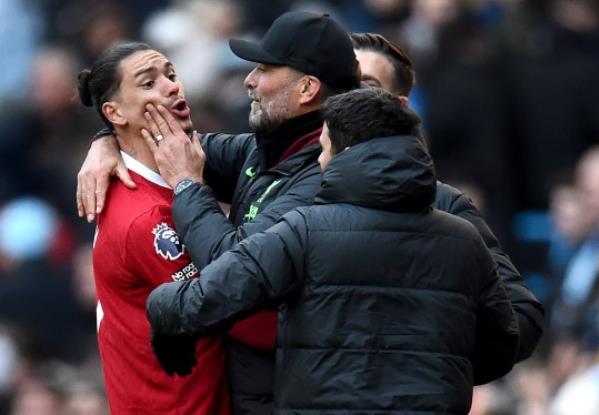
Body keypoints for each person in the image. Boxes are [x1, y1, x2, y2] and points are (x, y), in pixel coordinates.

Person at [76, 14, 541, 412]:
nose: (248, 80)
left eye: (366, 90)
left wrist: (411, 351)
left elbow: (231, 277)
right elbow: (181, 149)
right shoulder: (271, 152)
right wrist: (108, 138)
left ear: (309, 89)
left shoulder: (327, 203)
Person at [146, 87, 520, 414]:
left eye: (324, 149)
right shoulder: (464, 239)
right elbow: (502, 345)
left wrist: (164, 317)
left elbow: (212, 292)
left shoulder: (306, 229)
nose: (320, 161)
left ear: (348, 151)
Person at [351, 32, 544, 361]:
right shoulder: (291, 190)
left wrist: (434, 360)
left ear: (399, 107)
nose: (349, 98)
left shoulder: (444, 207)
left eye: (367, 87)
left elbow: (521, 319)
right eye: (341, 84)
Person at [76, 41, 229, 414]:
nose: (172, 86)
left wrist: (104, 141)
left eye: (171, 75)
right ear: (114, 112)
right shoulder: (147, 221)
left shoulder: (171, 180)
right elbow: (234, 298)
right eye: (149, 83)